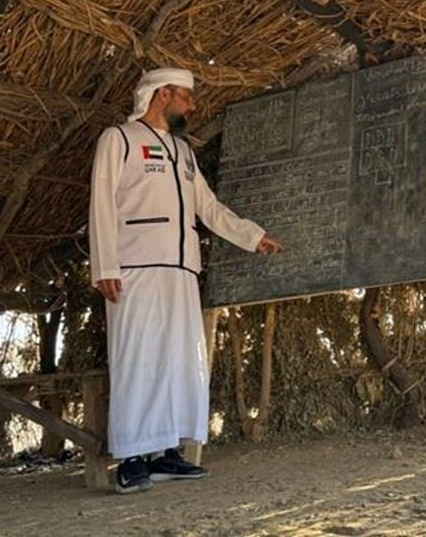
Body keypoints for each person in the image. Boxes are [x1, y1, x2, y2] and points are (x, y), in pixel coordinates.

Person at [89, 67, 282, 494]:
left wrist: (252, 236)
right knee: (137, 357)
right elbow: (101, 200)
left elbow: (208, 209)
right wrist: (104, 266)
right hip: (133, 265)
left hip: (181, 267)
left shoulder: (184, 152)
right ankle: (132, 459)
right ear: (163, 95)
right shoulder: (118, 139)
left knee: (178, 357)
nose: (192, 106)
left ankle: (167, 453)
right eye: (187, 98)